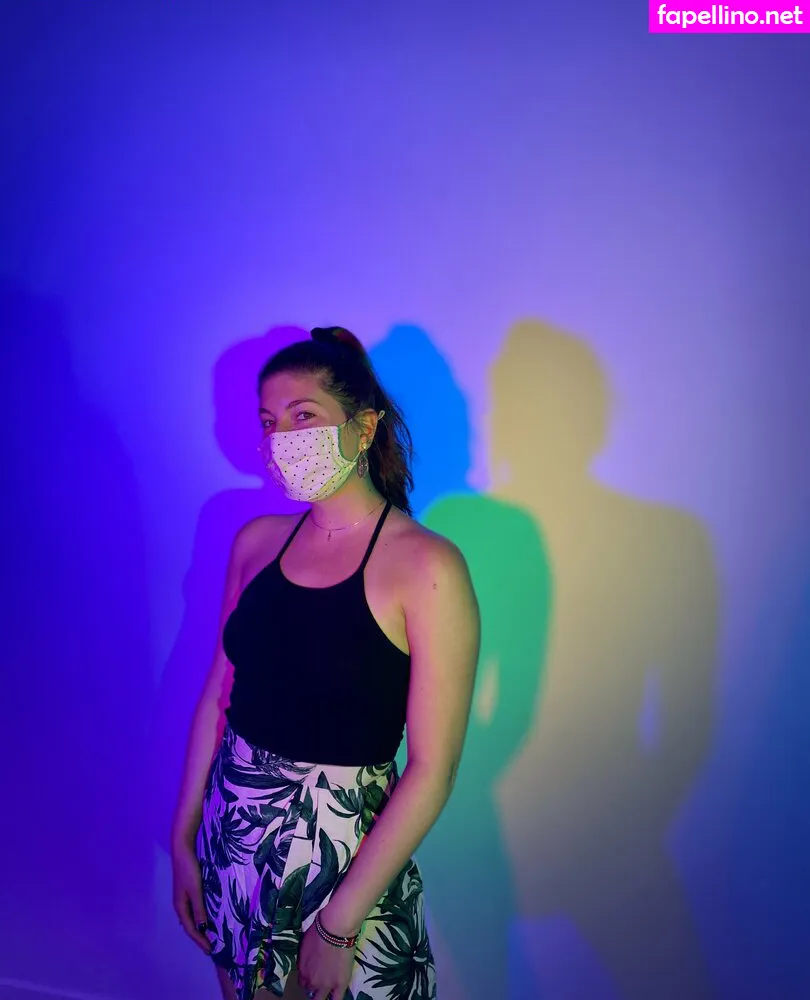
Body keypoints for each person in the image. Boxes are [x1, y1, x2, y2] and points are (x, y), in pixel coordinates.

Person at [170, 326, 481, 1000]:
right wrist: (183, 838)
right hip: (235, 834)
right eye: (268, 422)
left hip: (348, 856)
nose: (282, 438)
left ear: (363, 428)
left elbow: (433, 769)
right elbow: (219, 695)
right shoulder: (256, 542)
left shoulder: (427, 566)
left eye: (303, 416)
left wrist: (338, 928)